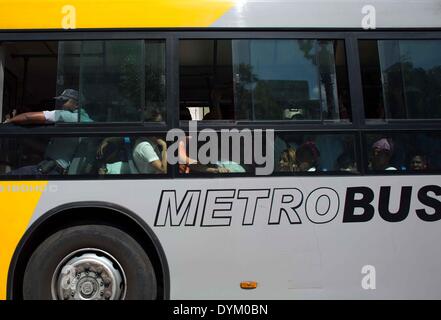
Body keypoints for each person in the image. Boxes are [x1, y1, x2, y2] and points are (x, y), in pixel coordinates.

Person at [5, 89, 93, 175]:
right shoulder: (86, 120)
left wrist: (8, 122)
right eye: (59, 100)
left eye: (64, 101)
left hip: (50, 171)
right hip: (53, 169)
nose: (60, 104)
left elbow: (28, 117)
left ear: (77, 104)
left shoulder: (69, 117)